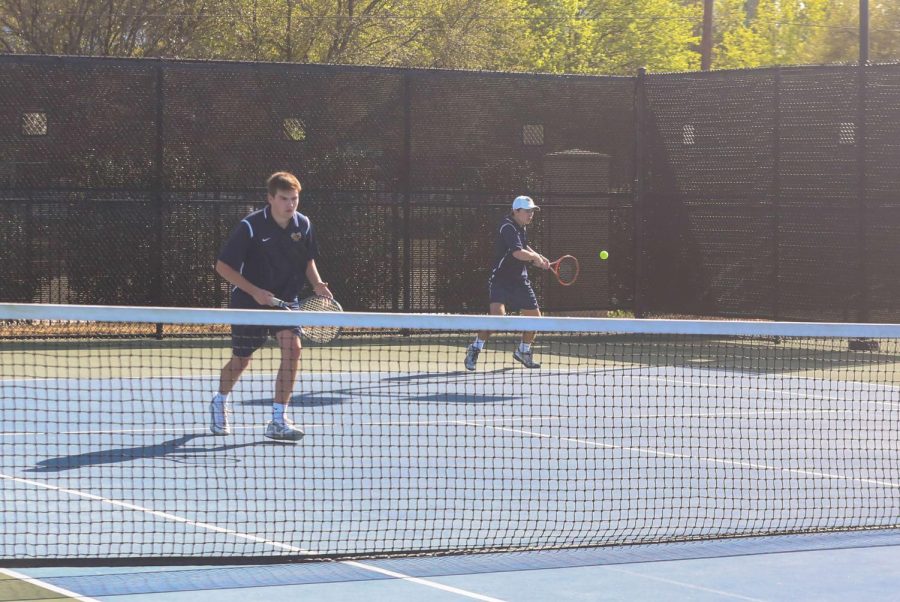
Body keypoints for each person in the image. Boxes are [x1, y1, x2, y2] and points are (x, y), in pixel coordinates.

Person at [209, 171, 332, 441]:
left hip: (286, 300)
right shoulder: (250, 227)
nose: (291, 204)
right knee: (242, 360)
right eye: (284, 198)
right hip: (248, 301)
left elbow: (308, 261)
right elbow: (222, 266)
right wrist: (254, 292)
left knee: (293, 349)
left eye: (295, 199)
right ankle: (220, 401)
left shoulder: (303, 225)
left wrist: (318, 284)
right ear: (271, 199)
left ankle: (278, 418)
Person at [464, 195, 550, 371]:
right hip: (501, 280)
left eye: (532, 211)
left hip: (520, 281)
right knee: (498, 319)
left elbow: (524, 247)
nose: (530, 214)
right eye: (527, 211)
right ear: (516, 211)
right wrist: (534, 258)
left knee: (535, 320)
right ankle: (475, 348)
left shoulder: (520, 227)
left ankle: (523, 351)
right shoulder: (507, 227)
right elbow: (518, 253)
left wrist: (539, 257)